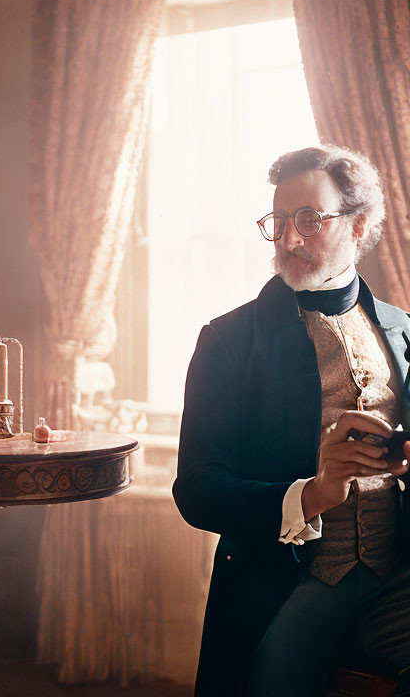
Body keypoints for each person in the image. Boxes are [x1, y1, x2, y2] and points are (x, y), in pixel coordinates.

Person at [174, 146, 410, 696]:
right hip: (288, 583)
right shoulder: (227, 341)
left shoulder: (403, 330)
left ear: (359, 225)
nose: (290, 239)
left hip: (396, 577)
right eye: (279, 222)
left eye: (308, 219)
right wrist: (310, 494)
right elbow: (197, 491)